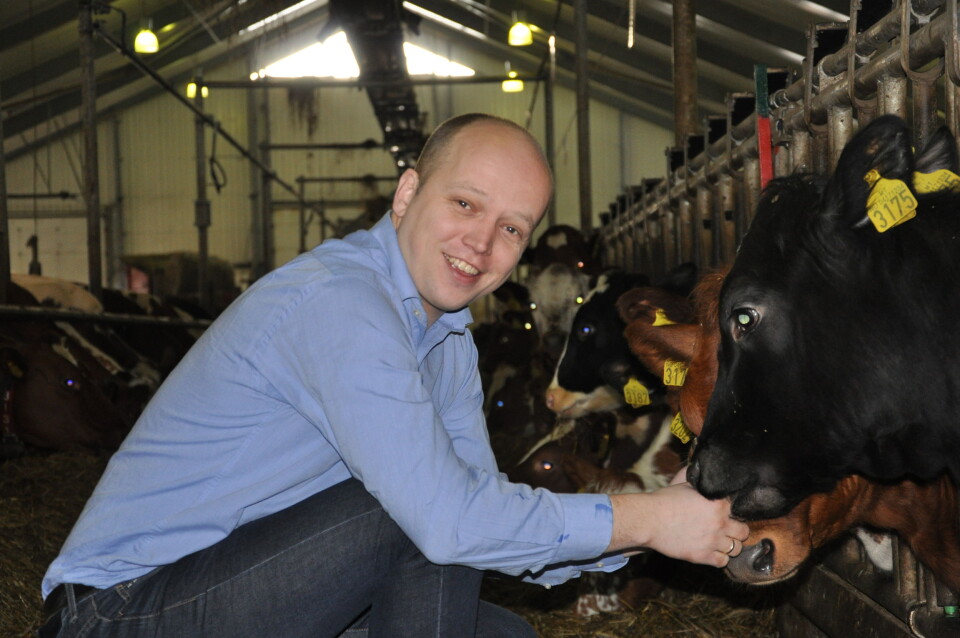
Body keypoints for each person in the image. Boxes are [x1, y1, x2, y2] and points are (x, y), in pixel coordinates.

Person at [40, 113, 748, 638]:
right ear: (407, 194)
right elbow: (444, 521)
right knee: (410, 511)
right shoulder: (341, 303)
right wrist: (648, 520)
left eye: (512, 228)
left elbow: (475, 513)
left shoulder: (443, 337)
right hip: (119, 613)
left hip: (253, 590)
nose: (482, 242)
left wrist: (651, 517)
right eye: (465, 204)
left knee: (509, 634)